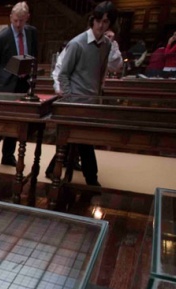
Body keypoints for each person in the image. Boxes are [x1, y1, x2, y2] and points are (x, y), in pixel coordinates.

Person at [51, 1, 120, 187]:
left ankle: (52, 170)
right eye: (99, 20)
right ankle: (92, 179)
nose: (101, 25)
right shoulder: (77, 44)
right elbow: (63, 73)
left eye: (106, 22)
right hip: (75, 100)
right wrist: (69, 97)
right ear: (93, 20)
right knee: (84, 141)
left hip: (92, 100)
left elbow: (105, 71)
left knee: (76, 140)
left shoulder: (106, 45)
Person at [0, 1, 37, 169]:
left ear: (27, 18)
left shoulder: (32, 33)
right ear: (11, 18)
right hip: (4, 85)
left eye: (22, 21)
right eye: (15, 21)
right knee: (4, 123)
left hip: (23, 82)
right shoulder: (1, 37)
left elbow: (34, 56)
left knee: (17, 122)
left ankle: (8, 155)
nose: (19, 25)